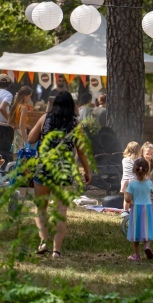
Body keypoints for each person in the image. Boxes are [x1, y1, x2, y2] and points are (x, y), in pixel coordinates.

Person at [28, 91, 91, 259]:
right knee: (61, 210)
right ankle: (56, 250)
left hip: (44, 168)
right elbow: (82, 152)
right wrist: (87, 171)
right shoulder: (75, 124)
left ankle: (43, 242)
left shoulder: (45, 118)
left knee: (41, 208)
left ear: (54, 104)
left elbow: (31, 138)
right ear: (71, 105)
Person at [124, 157, 153, 260]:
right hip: (148, 208)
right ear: (147, 170)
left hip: (136, 209)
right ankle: (147, 246)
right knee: (147, 229)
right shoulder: (149, 183)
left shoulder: (131, 184)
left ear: (134, 170)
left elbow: (128, 199)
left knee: (135, 232)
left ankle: (136, 254)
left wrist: (126, 191)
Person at [8, 85, 33, 156]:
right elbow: (21, 125)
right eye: (29, 96)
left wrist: (25, 125)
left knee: (15, 154)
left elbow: (11, 121)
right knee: (21, 155)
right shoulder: (24, 108)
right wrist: (25, 140)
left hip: (14, 132)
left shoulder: (15, 106)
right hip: (20, 134)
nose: (30, 98)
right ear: (25, 95)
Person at [120, 141, 141, 217]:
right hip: (134, 181)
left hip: (125, 181)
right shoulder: (138, 160)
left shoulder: (124, 160)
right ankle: (134, 211)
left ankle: (125, 211)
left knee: (126, 197)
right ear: (138, 150)